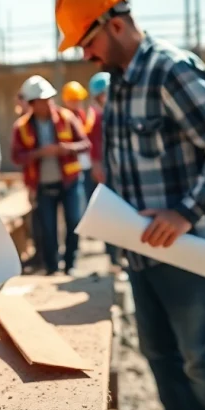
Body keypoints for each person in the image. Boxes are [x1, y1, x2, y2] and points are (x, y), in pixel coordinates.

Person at [56, 0, 205, 410]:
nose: (85, 55)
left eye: (88, 40)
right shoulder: (119, 84)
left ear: (116, 23)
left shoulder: (172, 70)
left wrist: (186, 213)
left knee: (196, 357)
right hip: (140, 249)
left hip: (187, 250)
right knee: (159, 352)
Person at [10, 75, 91, 275]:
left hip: (69, 182)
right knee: (48, 229)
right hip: (42, 185)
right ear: (32, 104)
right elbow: (16, 157)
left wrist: (66, 148)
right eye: (42, 101)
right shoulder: (21, 127)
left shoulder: (66, 118)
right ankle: (52, 267)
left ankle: (70, 264)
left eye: (49, 99)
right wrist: (38, 153)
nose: (47, 104)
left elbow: (85, 144)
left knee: (74, 221)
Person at [86, 71, 122, 266]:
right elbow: (94, 144)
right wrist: (97, 166)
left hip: (123, 172)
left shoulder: (120, 113)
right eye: (104, 94)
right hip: (108, 173)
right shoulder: (98, 118)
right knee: (111, 215)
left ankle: (124, 254)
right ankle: (114, 257)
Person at [61, 80, 96, 202]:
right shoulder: (63, 118)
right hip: (74, 168)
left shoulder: (81, 114)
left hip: (88, 162)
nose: (78, 103)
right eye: (74, 100)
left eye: (79, 99)